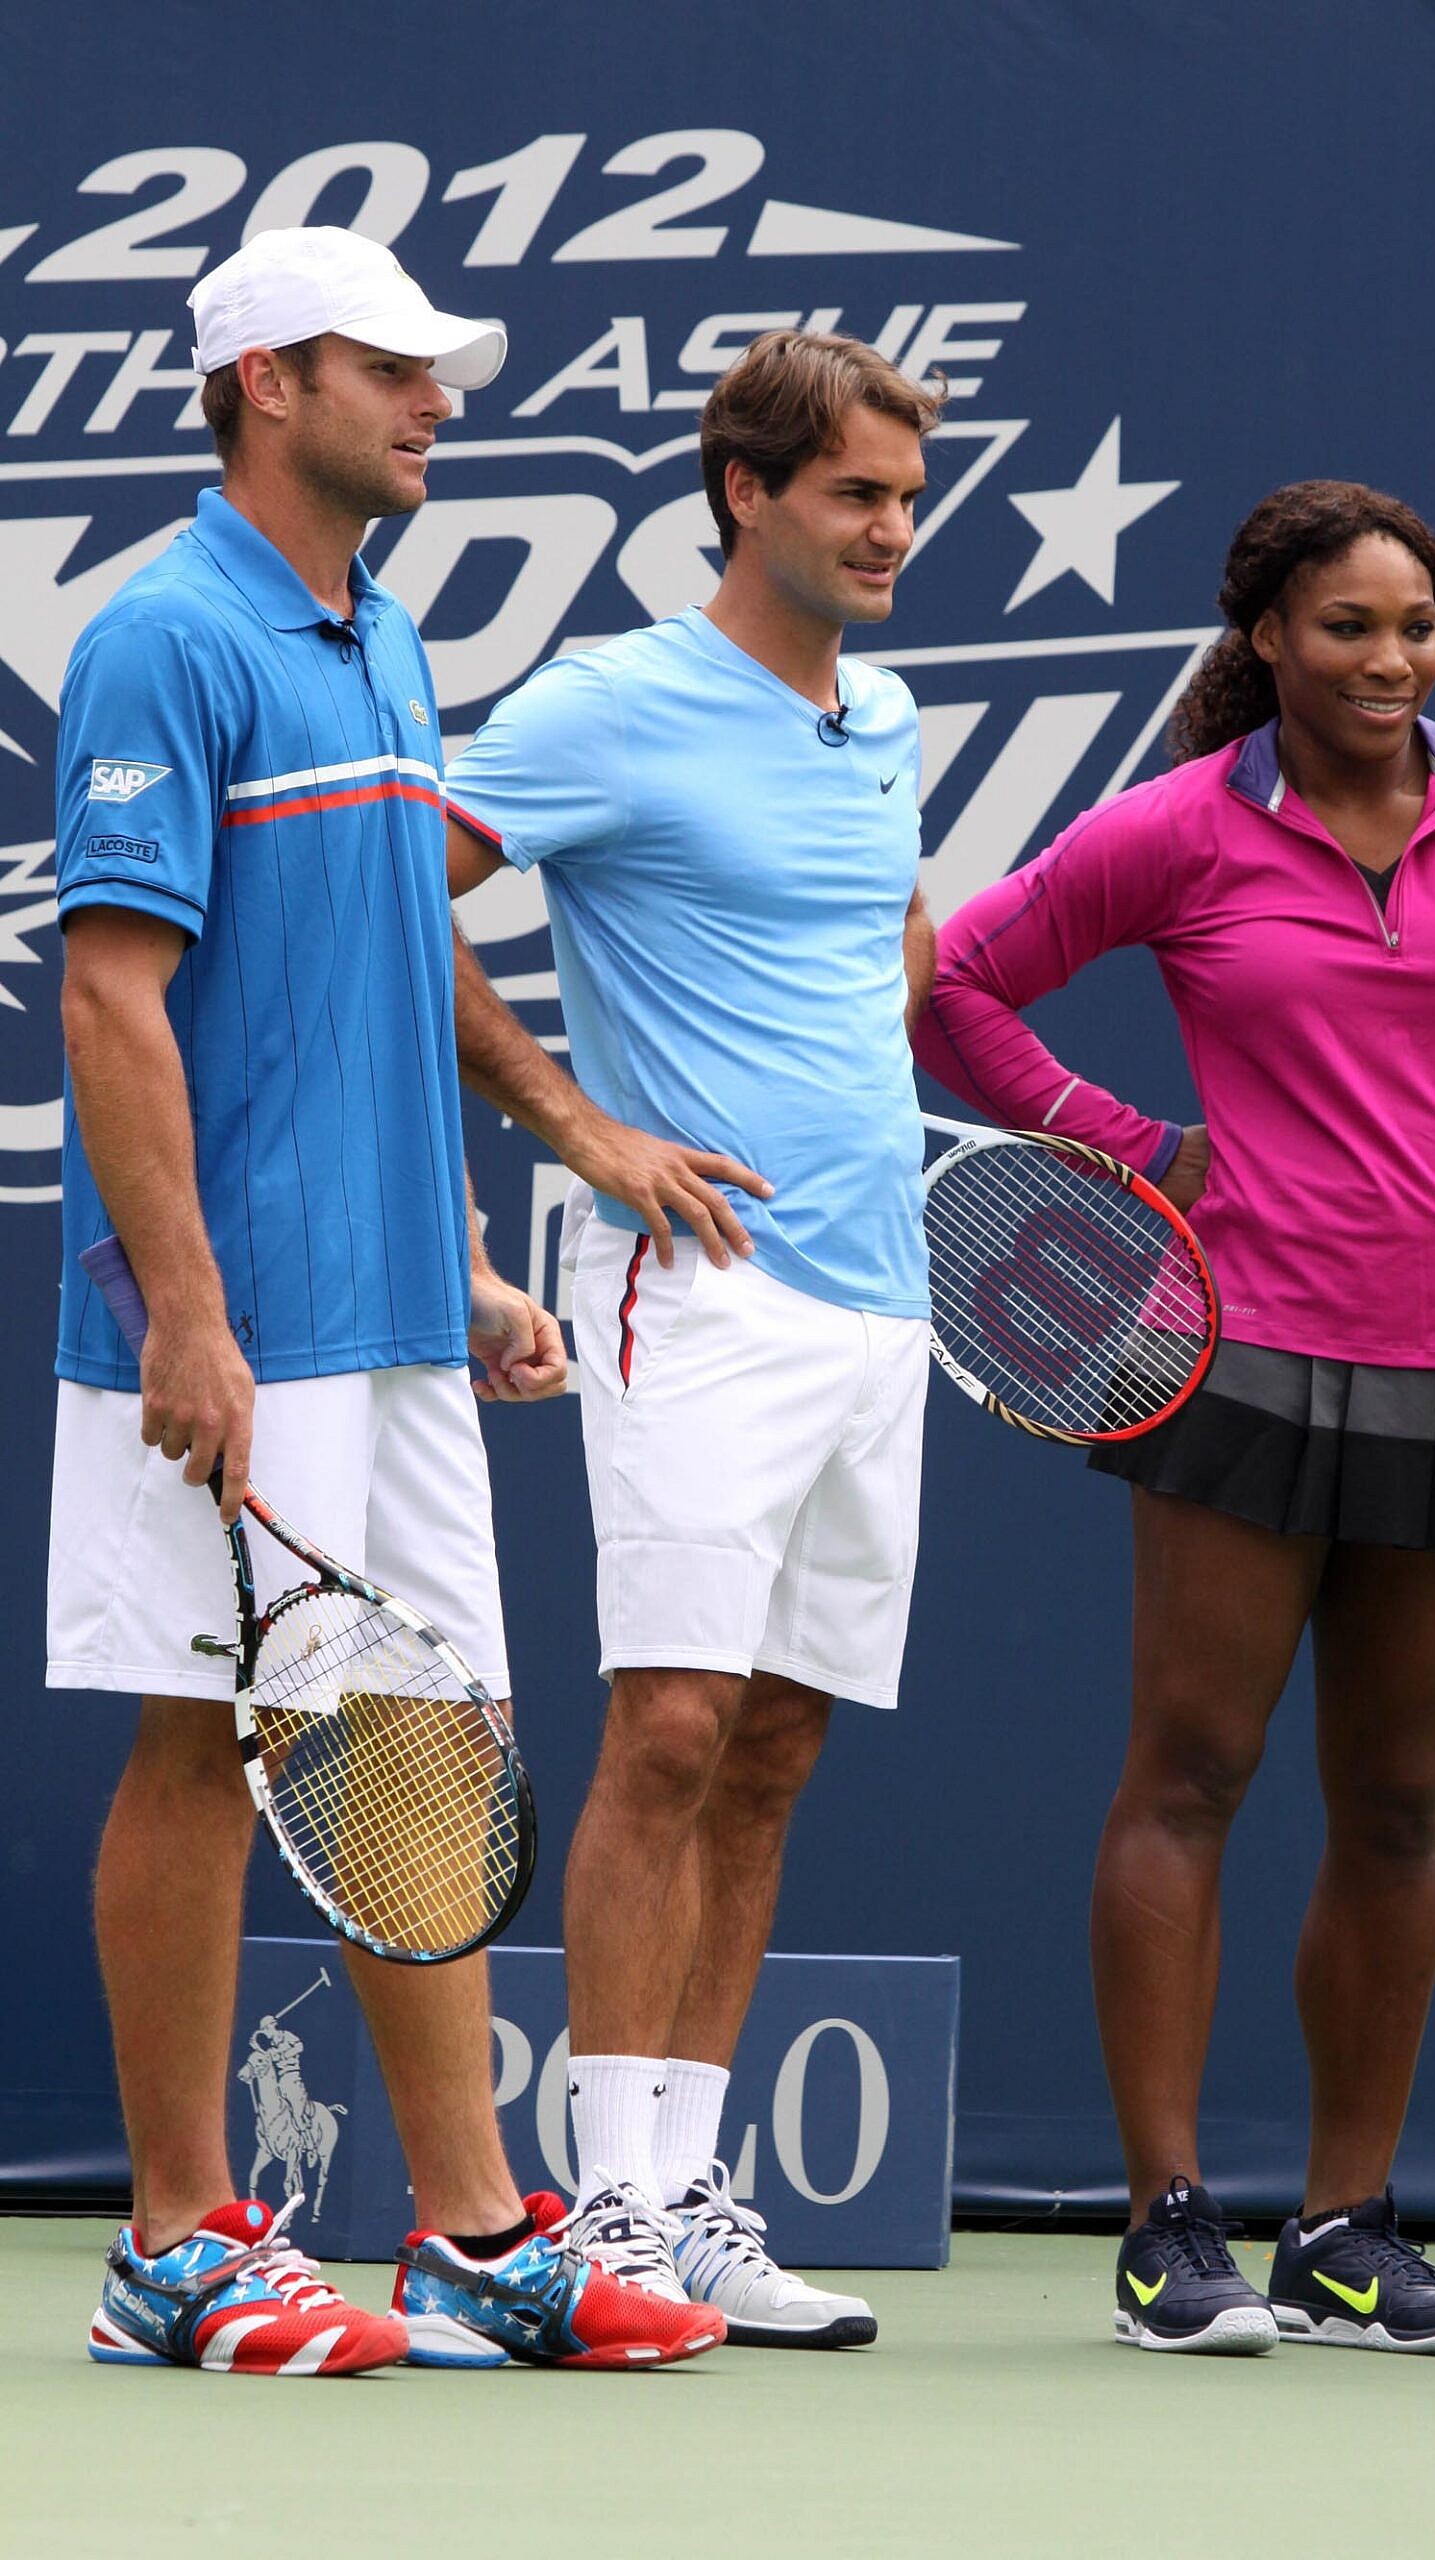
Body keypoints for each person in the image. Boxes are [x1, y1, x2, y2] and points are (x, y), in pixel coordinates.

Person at [915, 479, 1435, 2358]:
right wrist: (1138, 1151)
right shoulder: (1181, 826)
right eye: (1347, 627)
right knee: (1191, 1774)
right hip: (1237, 1356)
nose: (1390, 661)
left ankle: (1346, 2228)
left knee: (1400, 1810)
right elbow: (958, 995)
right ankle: (1168, 2223)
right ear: (1265, 638)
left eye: (1414, 627)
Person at [51, 225, 721, 2376]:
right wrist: (185, 1311)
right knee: (205, 1737)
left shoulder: (387, 636)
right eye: (391, 369)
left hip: (393, 1314)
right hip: (227, 1320)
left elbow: (380, 960)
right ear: (266, 382)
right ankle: (174, 2238)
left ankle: (468, 2231)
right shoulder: (165, 637)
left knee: (417, 1744)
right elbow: (111, 991)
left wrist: (459, 1259)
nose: (437, 401)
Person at [443, 329, 944, 2345]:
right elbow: (398, 894)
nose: (892, 529)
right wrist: (577, 1121)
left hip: (879, 1296)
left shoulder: (887, 714)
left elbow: (881, 942)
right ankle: (609, 2206)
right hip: (698, 1292)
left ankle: (690, 2189)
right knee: (665, 1727)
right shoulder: (610, 703)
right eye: (854, 494)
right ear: (746, 491)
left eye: (907, 497)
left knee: (775, 1744)